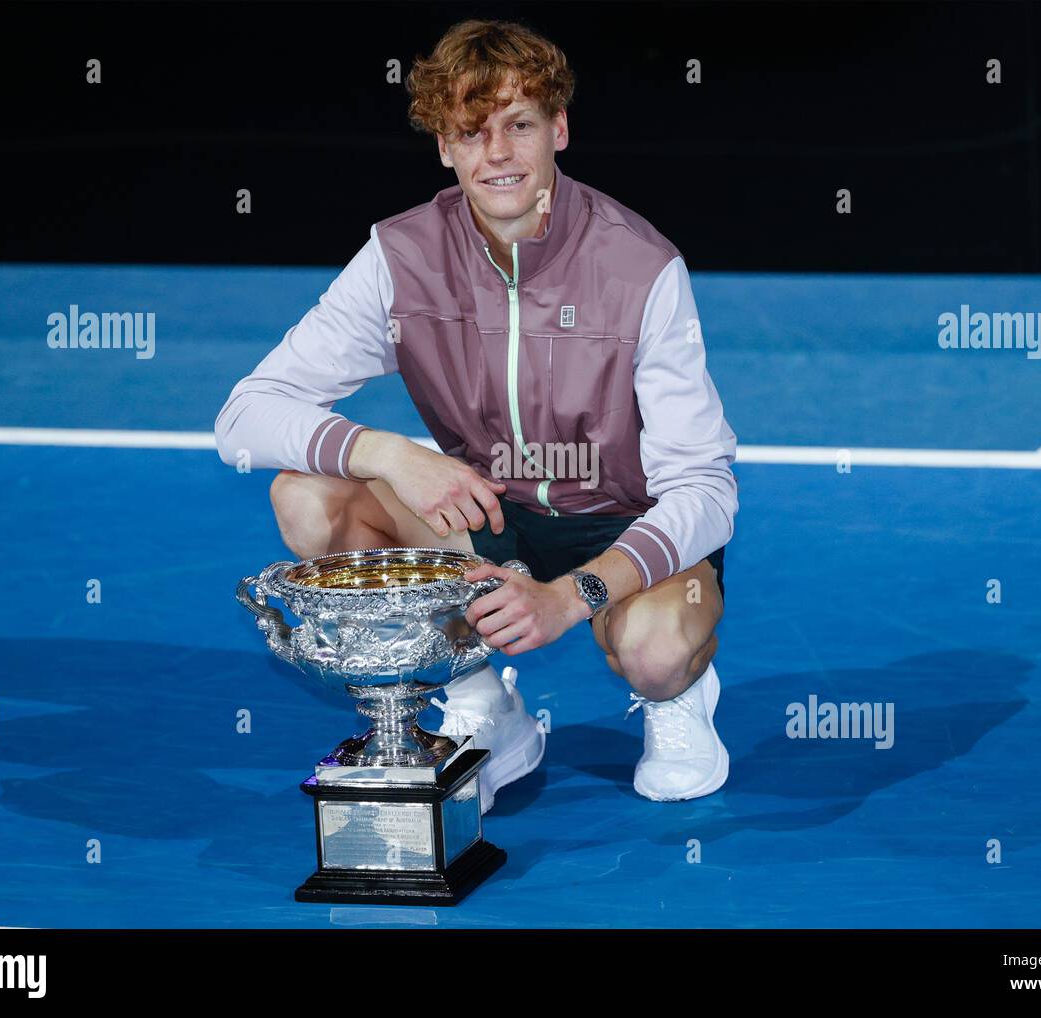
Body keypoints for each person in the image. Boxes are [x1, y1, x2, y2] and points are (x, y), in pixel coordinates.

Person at [215, 19, 737, 811]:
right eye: (470, 131)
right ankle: (485, 703)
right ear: (443, 147)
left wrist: (571, 597)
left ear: (558, 129)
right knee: (308, 497)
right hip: (485, 513)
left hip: (620, 527)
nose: (496, 154)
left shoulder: (642, 265)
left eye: (519, 125)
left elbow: (707, 492)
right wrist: (389, 453)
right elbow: (244, 416)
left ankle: (676, 701)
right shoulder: (401, 257)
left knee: (656, 648)